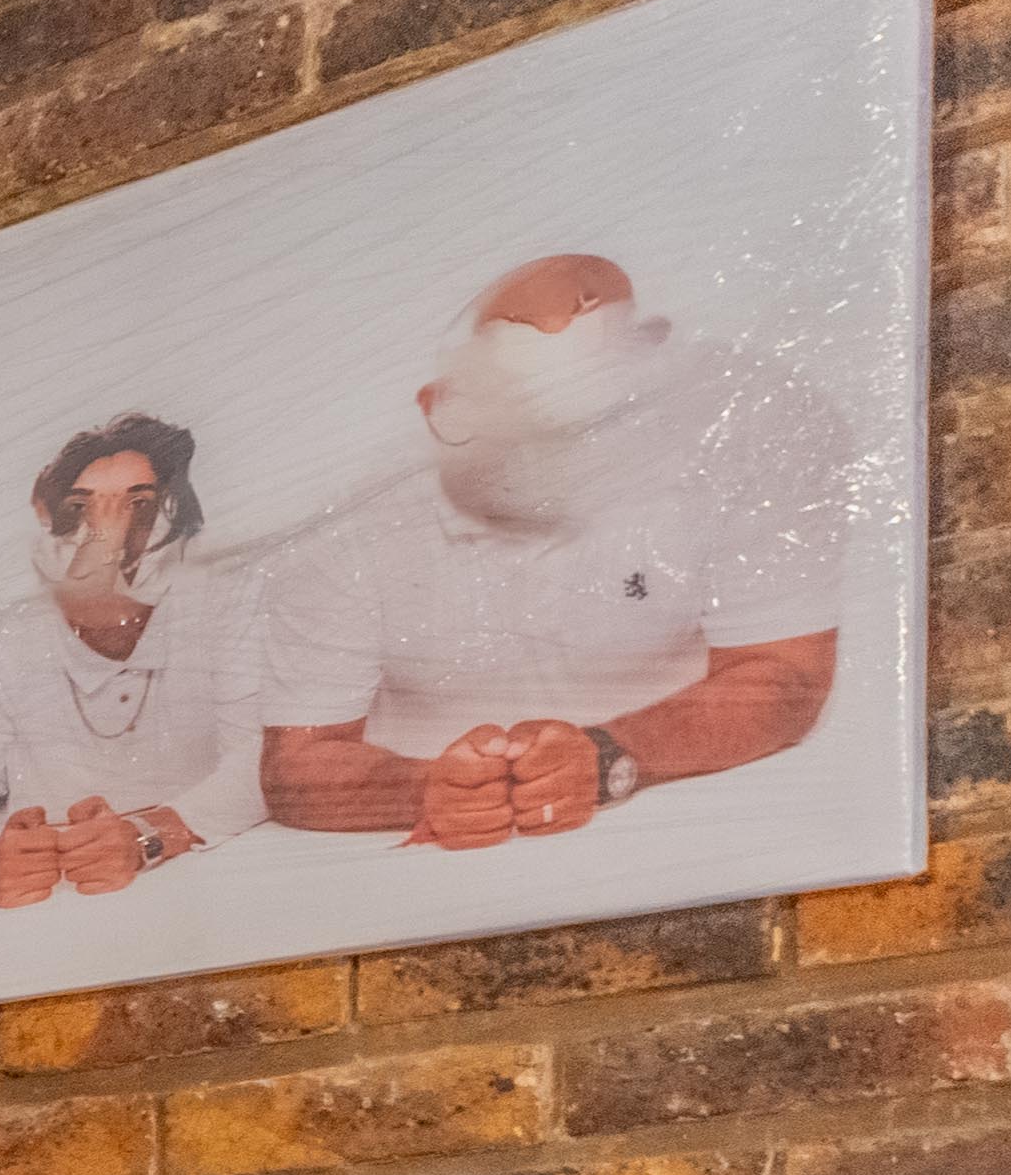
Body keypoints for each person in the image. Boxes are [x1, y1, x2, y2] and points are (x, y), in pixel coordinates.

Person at [250, 254, 846, 849]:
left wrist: (610, 754)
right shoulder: (348, 532)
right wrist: (426, 789)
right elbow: (296, 766)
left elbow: (786, 676)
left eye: (597, 419)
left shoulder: (721, 465)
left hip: (695, 832)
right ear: (442, 410)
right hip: (425, 862)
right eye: (532, 423)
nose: (572, 458)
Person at [0, 415, 261, 906]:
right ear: (48, 520)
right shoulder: (3, 638)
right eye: (83, 508)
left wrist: (148, 835)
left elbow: (261, 766)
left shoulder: (222, 597)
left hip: (213, 880)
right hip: (56, 900)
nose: (109, 531)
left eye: (138, 504)